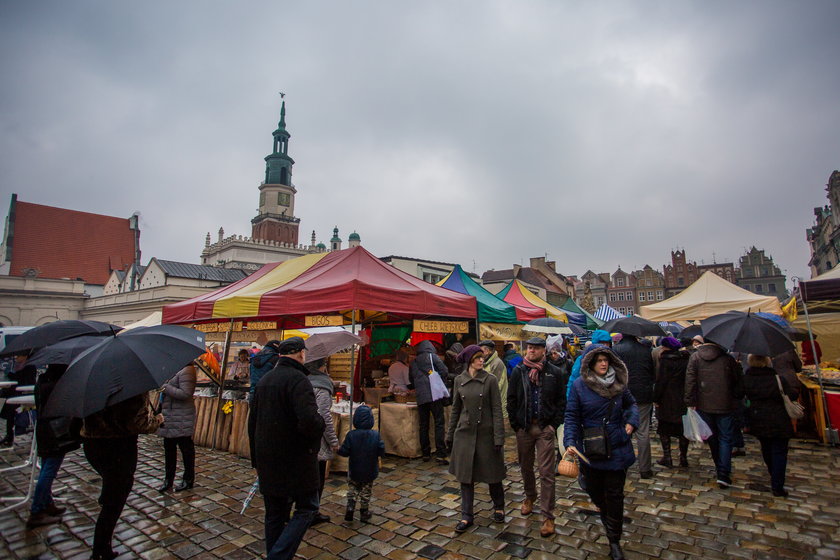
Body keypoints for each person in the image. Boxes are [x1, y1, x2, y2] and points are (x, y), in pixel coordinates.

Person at [249, 336, 324, 560]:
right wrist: (320, 422)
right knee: (307, 508)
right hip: (295, 459)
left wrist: (255, 459)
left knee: (274, 514)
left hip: (267, 457)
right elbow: (309, 421)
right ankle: (278, 556)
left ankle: (275, 552)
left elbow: (252, 423)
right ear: (301, 353)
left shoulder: (265, 379)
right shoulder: (299, 380)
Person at [565, 346, 639, 560]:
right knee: (595, 491)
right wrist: (570, 441)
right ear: (590, 363)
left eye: (606, 360)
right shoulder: (580, 386)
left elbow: (631, 404)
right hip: (592, 447)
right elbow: (571, 416)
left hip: (617, 445)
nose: (603, 364)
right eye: (598, 360)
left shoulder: (619, 383)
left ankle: (614, 540)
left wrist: (631, 423)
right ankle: (607, 515)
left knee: (615, 495)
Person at [83, 392, 162, 560]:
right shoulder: (133, 389)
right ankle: (100, 550)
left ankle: (102, 547)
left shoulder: (96, 384)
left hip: (93, 444)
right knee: (115, 500)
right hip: (119, 447)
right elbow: (139, 424)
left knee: (112, 490)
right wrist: (158, 420)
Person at [507, 337, 567, 537]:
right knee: (525, 466)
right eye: (529, 347)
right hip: (524, 427)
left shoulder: (554, 372)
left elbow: (561, 400)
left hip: (544, 428)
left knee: (546, 472)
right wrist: (516, 424)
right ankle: (529, 497)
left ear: (544, 351)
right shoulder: (519, 371)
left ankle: (548, 515)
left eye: (535, 348)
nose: (531, 351)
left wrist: (553, 425)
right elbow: (512, 398)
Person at [446, 345, 506, 532]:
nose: (482, 360)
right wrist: (450, 434)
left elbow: (497, 410)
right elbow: (456, 408)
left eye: (482, 358)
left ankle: (499, 507)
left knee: (493, 474)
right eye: (478, 358)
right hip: (464, 434)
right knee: (465, 477)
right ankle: (466, 515)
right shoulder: (459, 380)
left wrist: (498, 437)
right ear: (469, 361)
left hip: (486, 434)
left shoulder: (490, 380)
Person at [684, 338, 744, 489]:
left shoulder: (695, 357)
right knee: (725, 438)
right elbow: (737, 382)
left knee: (712, 438)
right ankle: (723, 473)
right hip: (725, 403)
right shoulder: (727, 359)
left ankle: (720, 467)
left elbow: (690, 381)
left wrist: (690, 401)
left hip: (704, 404)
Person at [27, 364, 81, 528]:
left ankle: (46, 503)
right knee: (49, 470)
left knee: (45, 467)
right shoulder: (59, 385)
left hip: (44, 429)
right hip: (56, 432)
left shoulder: (43, 381)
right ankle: (36, 511)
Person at [743, 354, 796, 497]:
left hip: (758, 418)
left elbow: (739, 394)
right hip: (779, 419)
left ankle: (774, 474)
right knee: (779, 451)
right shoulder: (778, 379)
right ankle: (777, 483)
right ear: (767, 362)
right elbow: (792, 394)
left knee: (766, 448)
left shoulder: (747, 379)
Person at [612, 333, 655, 479]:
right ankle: (645, 468)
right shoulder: (645, 350)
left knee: (624, 430)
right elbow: (651, 372)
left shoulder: (617, 349)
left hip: (623, 394)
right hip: (644, 394)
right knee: (643, 432)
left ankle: (623, 464)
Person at [337, 404, 385, 523]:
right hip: (370, 469)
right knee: (366, 490)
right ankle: (364, 511)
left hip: (354, 468)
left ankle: (350, 507)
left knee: (352, 488)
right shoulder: (375, 435)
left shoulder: (351, 435)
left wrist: (338, 449)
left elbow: (344, 451)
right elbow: (381, 449)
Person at [307, 357, 340, 525]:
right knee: (316, 478)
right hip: (316, 440)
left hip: (302, 437)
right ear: (321, 367)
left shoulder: (302, 381)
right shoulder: (322, 386)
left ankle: (302, 509)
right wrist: (333, 441)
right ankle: (312, 512)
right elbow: (324, 417)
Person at [157, 363, 197, 492]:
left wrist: (165, 387)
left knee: (186, 450)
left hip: (181, 417)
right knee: (169, 450)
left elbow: (186, 393)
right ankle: (168, 480)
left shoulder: (188, 370)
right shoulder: (171, 369)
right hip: (169, 417)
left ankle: (188, 479)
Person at [409, 340, 450, 464]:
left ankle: (425, 453)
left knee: (423, 425)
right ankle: (440, 454)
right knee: (439, 423)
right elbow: (444, 371)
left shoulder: (414, 362)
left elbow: (410, 379)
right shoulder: (433, 357)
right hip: (435, 394)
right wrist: (437, 378)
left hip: (421, 396)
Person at [652, 337, 690, 468]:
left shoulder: (666, 361)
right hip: (682, 398)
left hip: (667, 399)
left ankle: (667, 457)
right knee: (683, 429)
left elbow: (661, 382)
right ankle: (683, 457)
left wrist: (656, 398)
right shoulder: (685, 359)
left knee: (664, 429)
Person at [1, 354, 36, 447]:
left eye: (19, 355)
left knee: (10, 405)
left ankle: (11, 434)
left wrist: (12, 375)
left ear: (25, 356)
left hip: (25, 393)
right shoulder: (19, 366)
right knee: (10, 404)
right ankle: (9, 435)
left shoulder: (29, 366)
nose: (16, 357)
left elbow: (24, 380)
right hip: (16, 392)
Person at [567, 330, 613, 400]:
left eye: (607, 343)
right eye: (602, 343)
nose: (605, 346)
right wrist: (570, 399)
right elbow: (573, 380)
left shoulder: (613, 360)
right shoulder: (583, 359)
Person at [478, 340, 508, 419]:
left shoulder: (497, 363)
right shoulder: (487, 362)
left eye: (481, 351)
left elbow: (497, 385)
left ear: (487, 351)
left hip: (497, 405)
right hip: (490, 404)